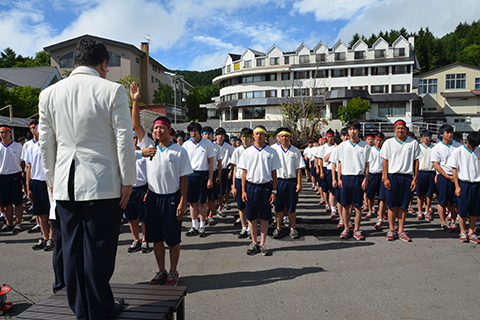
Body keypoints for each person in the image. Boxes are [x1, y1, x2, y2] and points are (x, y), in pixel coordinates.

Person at [39, 37, 136, 319]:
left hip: (64, 184)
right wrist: (128, 180)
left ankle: (79, 306)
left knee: (70, 248)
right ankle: (99, 308)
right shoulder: (112, 91)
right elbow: (124, 140)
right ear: (103, 63)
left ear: (75, 62)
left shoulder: (49, 94)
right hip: (102, 183)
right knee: (100, 248)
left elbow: (47, 144)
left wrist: (51, 182)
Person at [238, 125, 281, 256]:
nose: (259, 136)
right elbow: (244, 173)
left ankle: (263, 243)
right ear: (253, 136)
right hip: (251, 187)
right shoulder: (247, 152)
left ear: (265, 136)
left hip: (266, 187)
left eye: (262, 134)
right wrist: (243, 190)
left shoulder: (272, 152)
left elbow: (274, 173)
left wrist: (274, 191)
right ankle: (254, 242)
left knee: (264, 217)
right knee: (251, 217)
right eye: (256, 134)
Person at [380, 120, 422, 242]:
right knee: (392, 206)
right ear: (394, 130)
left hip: (407, 177)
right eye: (398, 128)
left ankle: (401, 230)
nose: (400, 130)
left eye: (402, 128)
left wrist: (415, 178)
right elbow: (385, 161)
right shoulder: (388, 143)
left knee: (403, 206)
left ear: (406, 130)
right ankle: (391, 230)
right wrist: (385, 177)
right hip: (392, 177)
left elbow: (416, 162)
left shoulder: (413, 143)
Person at [331, 120, 371, 240]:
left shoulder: (365, 146)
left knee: (358, 206)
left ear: (358, 130)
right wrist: (338, 178)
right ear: (347, 131)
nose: (352, 131)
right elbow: (339, 163)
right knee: (345, 206)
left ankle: (357, 230)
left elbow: (367, 164)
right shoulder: (342, 146)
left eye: (354, 129)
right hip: (345, 178)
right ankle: (346, 228)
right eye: (350, 129)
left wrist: (366, 178)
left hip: (358, 178)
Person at [126, 82, 150, 254]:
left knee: (144, 218)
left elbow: (136, 124)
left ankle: (145, 239)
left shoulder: (144, 146)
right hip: (128, 188)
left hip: (143, 188)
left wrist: (135, 102)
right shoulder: (123, 150)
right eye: (131, 137)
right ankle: (135, 240)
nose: (134, 139)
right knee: (131, 217)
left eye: (135, 136)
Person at [25, 124, 55, 251]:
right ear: (35, 133)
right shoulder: (32, 148)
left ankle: (53, 238)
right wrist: (28, 186)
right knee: (41, 212)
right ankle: (45, 237)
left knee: (51, 212)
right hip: (36, 182)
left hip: (48, 182)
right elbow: (29, 167)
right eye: (38, 131)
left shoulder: (52, 146)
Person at [182, 122, 215, 238]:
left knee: (202, 202)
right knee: (192, 203)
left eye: (195, 130)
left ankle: (202, 226)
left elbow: (211, 162)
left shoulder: (207, 143)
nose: (193, 133)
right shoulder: (186, 145)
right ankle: (194, 226)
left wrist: (210, 178)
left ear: (199, 132)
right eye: (191, 131)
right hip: (190, 175)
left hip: (203, 175)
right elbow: (182, 163)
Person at [271, 127, 304, 239]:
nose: (284, 138)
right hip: (279, 181)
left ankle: (293, 228)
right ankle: (278, 228)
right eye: (282, 136)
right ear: (278, 138)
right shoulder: (274, 150)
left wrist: (299, 183)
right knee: (278, 207)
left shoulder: (295, 151)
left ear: (290, 137)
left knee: (291, 207)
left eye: (286, 136)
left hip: (291, 182)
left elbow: (299, 169)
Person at [449, 131, 480, 243]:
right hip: (464, 184)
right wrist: (457, 186)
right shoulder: (459, 151)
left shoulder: (478, 150)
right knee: (462, 210)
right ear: (467, 141)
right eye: (473, 145)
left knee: (474, 211)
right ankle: (463, 232)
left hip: (476, 184)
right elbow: (454, 169)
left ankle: (471, 232)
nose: (474, 147)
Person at [431, 124, 461, 232]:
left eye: (451, 132)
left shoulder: (458, 146)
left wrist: (456, 177)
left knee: (455, 202)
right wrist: (447, 176)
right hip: (444, 177)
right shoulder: (437, 148)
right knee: (442, 201)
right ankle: (443, 222)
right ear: (441, 134)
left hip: (457, 177)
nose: (449, 134)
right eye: (447, 132)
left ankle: (453, 222)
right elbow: (436, 165)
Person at [0, 124, 25, 234]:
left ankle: (18, 223)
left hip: (15, 175)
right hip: (2, 176)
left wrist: (23, 175)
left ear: (10, 133)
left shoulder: (17, 146)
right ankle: (9, 223)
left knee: (18, 201)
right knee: (6, 203)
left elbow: (23, 162)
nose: (3, 134)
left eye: (6, 132)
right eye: (1, 132)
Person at [230, 128, 254, 238]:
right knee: (241, 205)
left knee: (250, 205)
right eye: (243, 137)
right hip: (239, 179)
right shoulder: (237, 150)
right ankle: (243, 227)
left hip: (251, 180)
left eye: (247, 137)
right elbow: (234, 169)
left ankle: (251, 227)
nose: (245, 139)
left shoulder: (255, 150)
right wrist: (233, 185)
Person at [202, 126, 223, 226]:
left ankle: (210, 215)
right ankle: (204, 215)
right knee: (203, 197)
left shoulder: (216, 147)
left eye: (210, 134)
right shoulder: (200, 145)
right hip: (203, 173)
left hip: (213, 173)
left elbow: (219, 163)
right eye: (206, 134)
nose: (208, 136)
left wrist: (218, 175)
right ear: (202, 135)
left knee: (212, 197)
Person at [366, 133, 387, 229]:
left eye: (380, 140)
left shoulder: (385, 150)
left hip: (382, 174)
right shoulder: (370, 150)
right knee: (370, 195)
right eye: (377, 140)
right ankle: (370, 210)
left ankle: (381, 212)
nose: (379, 142)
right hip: (372, 174)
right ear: (375, 140)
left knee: (381, 196)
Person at [215, 127, 235, 216]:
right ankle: (214, 206)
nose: (220, 137)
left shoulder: (228, 147)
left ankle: (220, 207)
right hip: (214, 170)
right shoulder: (212, 145)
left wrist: (230, 169)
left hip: (224, 170)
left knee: (223, 190)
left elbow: (234, 158)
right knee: (214, 190)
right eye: (218, 135)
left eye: (221, 135)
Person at [416, 130, 435, 221]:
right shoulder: (418, 147)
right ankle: (420, 211)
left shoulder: (434, 148)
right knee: (420, 194)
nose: (426, 138)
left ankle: (427, 211)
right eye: (424, 136)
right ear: (421, 138)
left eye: (428, 136)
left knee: (429, 194)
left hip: (431, 172)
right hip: (420, 172)